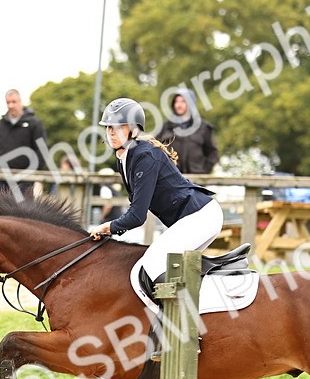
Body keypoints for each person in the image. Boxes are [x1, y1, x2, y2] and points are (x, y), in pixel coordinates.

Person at [87, 97, 222, 358]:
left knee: (146, 270)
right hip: (193, 218)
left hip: (201, 216)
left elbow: (137, 216)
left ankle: (182, 334)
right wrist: (112, 227)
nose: (110, 132)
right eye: (108, 127)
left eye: (117, 126)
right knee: (170, 270)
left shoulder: (144, 155)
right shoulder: (124, 157)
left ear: (134, 129)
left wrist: (108, 227)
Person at [0, 89, 48, 174]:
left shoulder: (34, 124)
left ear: (20, 102)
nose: (10, 105)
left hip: (24, 177)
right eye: (8, 102)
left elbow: (42, 150)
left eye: (13, 102)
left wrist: (32, 171)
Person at [156, 89, 220, 175]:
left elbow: (213, 153)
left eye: (183, 101)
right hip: (171, 178)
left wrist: (204, 171)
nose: (179, 105)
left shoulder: (203, 127)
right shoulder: (165, 126)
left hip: (197, 180)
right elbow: (155, 149)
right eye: (176, 102)